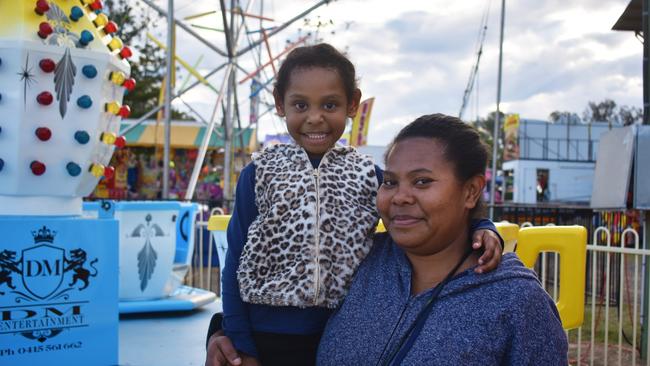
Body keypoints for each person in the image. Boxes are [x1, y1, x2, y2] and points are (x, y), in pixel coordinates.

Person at [207, 44, 504, 366]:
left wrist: (483, 227)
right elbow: (235, 259)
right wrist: (241, 344)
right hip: (265, 332)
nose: (315, 118)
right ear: (280, 104)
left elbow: (413, 209)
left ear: (352, 104)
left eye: (330, 104)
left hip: (343, 329)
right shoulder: (260, 172)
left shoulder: (367, 175)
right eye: (300, 105)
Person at [317, 114, 567, 365]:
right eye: (390, 182)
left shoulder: (517, 300)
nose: (400, 197)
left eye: (422, 181)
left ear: (471, 192)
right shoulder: (358, 259)